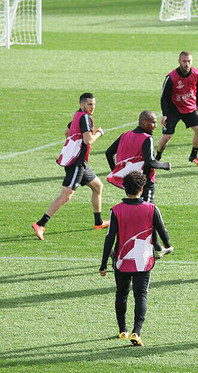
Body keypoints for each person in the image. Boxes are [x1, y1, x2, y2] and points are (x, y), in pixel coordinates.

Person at [100, 171, 173, 346]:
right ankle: (136, 332)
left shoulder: (116, 210)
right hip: (143, 261)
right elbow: (162, 231)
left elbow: (110, 238)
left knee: (121, 294)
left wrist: (103, 264)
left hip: (121, 261)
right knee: (141, 296)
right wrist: (168, 244)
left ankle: (122, 330)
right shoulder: (151, 208)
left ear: (124, 188)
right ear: (142, 188)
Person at [32, 93, 108, 240]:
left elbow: (67, 132)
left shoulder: (77, 115)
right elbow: (88, 140)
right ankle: (40, 224)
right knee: (66, 196)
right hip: (76, 164)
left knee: (98, 186)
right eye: (89, 105)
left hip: (79, 163)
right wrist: (99, 133)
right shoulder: (85, 117)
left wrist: (74, 145)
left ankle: (98, 222)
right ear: (82, 105)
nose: (92, 107)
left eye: (94, 104)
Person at [105, 111, 173, 256]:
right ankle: (123, 250)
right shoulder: (147, 138)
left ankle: (158, 248)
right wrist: (165, 165)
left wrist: (118, 173)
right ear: (144, 122)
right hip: (144, 183)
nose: (155, 125)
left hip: (130, 182)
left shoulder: (125, 135)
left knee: (144, 214)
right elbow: (150, 162)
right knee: (147, 214)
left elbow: (108, 153)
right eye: (153, 122)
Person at [156, 51, 198, 166]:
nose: (187, 64)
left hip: (189, 107)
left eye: (189, 61)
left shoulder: (196, 73)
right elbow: (164, 97)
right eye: (184, 61)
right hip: (174, 109)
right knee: (167, 137)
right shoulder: (171, 77)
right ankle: (157, 158)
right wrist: (165, 114)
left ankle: (194, 156)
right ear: (179, 62)